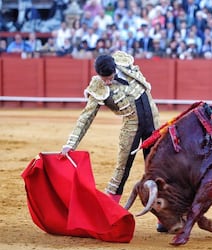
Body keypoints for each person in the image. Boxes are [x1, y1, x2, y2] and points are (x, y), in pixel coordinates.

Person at [61, 50, 160, 206]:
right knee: (122, 169)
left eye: (109, 78)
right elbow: (86, 116)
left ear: (115, 69)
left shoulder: (125, 63)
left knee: (158, 168)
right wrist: (71, 143)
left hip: (153, 122)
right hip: (131, 128)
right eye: (104, 79)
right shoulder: (98, 85)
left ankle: (165, 216)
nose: (107, 82)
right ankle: (109, 209)